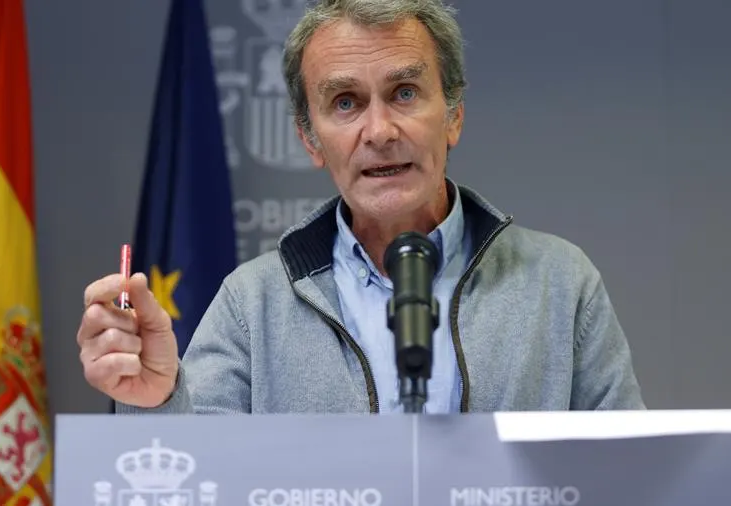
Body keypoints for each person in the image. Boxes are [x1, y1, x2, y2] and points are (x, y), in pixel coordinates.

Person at [77, 0, 645, 415]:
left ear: (453, 115)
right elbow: (195, 481)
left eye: (404, 93)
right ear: (310, 137)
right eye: (345, 103)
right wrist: (156, 402)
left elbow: (627, 477)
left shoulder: (560, 282)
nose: (379, 130)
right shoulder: (253, 303)